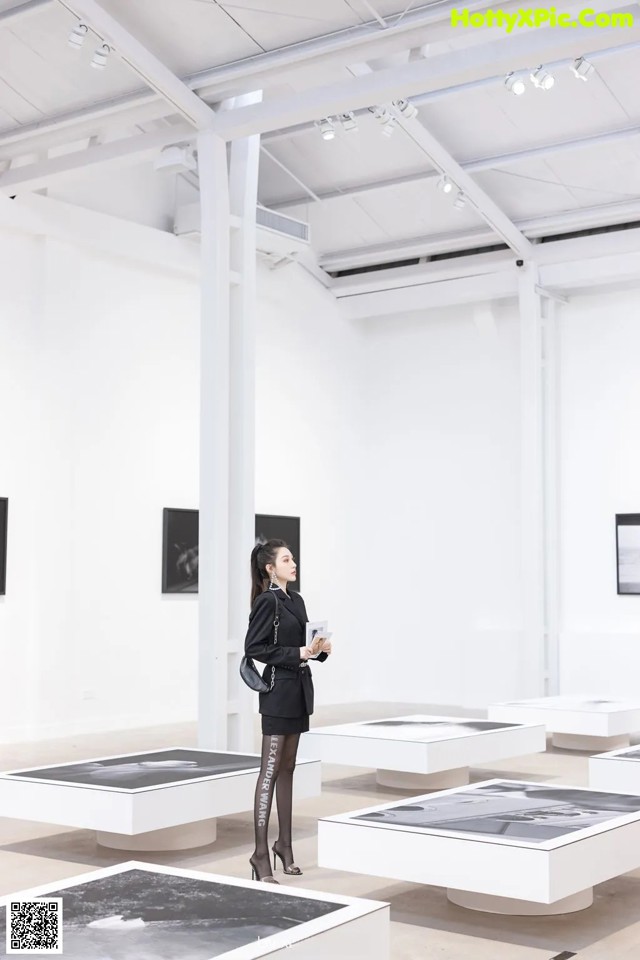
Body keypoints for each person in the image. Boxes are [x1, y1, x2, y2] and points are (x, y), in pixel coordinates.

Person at [244, 538, 332, 883]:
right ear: (270, 568)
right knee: (269, 771)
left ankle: (285, 845)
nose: (293, 563)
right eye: (286, 559)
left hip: (298, 692)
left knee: (288, 769)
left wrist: (321, 649)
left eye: (292, 558)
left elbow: (307, 645)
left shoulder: (296, 599)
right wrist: (298, 653)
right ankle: (259, 854)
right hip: (278, 692)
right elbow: (255, 647)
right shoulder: (268, 602)